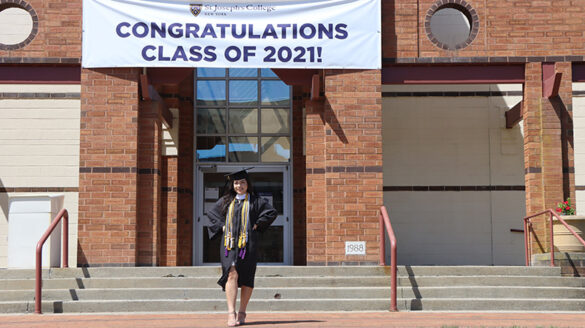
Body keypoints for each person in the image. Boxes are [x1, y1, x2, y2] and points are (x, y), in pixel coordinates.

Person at [207, 169, 277, 326]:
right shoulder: (226, 201)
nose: (239, 185)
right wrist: (222, 226)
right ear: (233, 184)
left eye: (242, 182)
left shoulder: (255, 201)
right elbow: (212, 214)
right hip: (229, 244)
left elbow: (271, 212)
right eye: (236, 182)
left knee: (246, 276)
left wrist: (257, 224)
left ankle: (242, 311)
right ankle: (231, 313)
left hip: (248, 243)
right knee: (231, 273)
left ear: (248, 184)